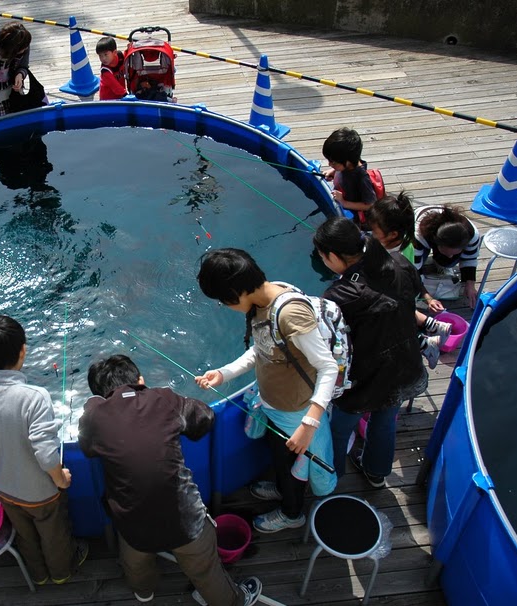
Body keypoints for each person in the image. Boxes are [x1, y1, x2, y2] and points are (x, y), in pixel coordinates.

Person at [79, 354, 263, 606]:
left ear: (101, 395)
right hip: (185, 521)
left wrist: (94, 405)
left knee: (135, 561)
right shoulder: (163, 398)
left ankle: (144, 592)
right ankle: (232, 601)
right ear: (140, 380)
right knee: (205, 570)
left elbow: (87, 448)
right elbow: (205, 418)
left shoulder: (94, 416)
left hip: (133, 524)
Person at [195, 249, 338, 533]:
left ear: (235, 293)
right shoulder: (262, 300)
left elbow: (328, 367)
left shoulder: (290, 314)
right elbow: (262, 348)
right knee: (281, 459)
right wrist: (224, 373)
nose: (225, 305)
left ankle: (292, 513)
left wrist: (309, 424)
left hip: (297, 413)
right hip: (276, 406)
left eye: (223, 300)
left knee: (294, 468)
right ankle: (282, 488)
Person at [0, 315, 88, 585]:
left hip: (3, 488)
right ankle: (61, 574)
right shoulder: (35, 397)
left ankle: (38, 576)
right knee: (54, 536)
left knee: (25, 535)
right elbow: (46, 454)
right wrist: (60, 479)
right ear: (23, 350)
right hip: (41, 494)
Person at [314, 217, 428, 486]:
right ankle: (376, 473)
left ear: (333, 256)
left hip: (364, 380)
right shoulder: (399, 263)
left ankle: (330, 479)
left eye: (323, 256)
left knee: (338, 430)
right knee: (385, 421)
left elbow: (331, 345)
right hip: (404, 365)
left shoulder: (339, 296)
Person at [367, 193, 453, 369]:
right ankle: (434, 326)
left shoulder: (392, 258)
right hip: (405, 295)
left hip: (396, 297)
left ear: (392, 234)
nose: (371, 233)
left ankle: (425, 344)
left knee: (393, 327)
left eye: (375, 231)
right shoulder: (406, 243)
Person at [413, 204, 482, 309]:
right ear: (437, 244)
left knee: (448, 262)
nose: (450, 256)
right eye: (446, 252)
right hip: (422, 227)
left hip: (442, 232)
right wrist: (427, 297)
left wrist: (470, 284)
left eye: (455, 253)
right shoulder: (419, 237)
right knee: (416, 263)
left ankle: (441, 261)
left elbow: (470, 258)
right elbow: (414, 270)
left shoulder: (472, 235)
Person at [322, 127, 377, 225]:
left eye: (333, 162)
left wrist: (344, 203)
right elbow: (341, 169)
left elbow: (370, 205)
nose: (329, 164)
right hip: (340, 196)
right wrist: (333, 171)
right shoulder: (347, 164)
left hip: (353, 217)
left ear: (347, 162)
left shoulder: (361, 177)